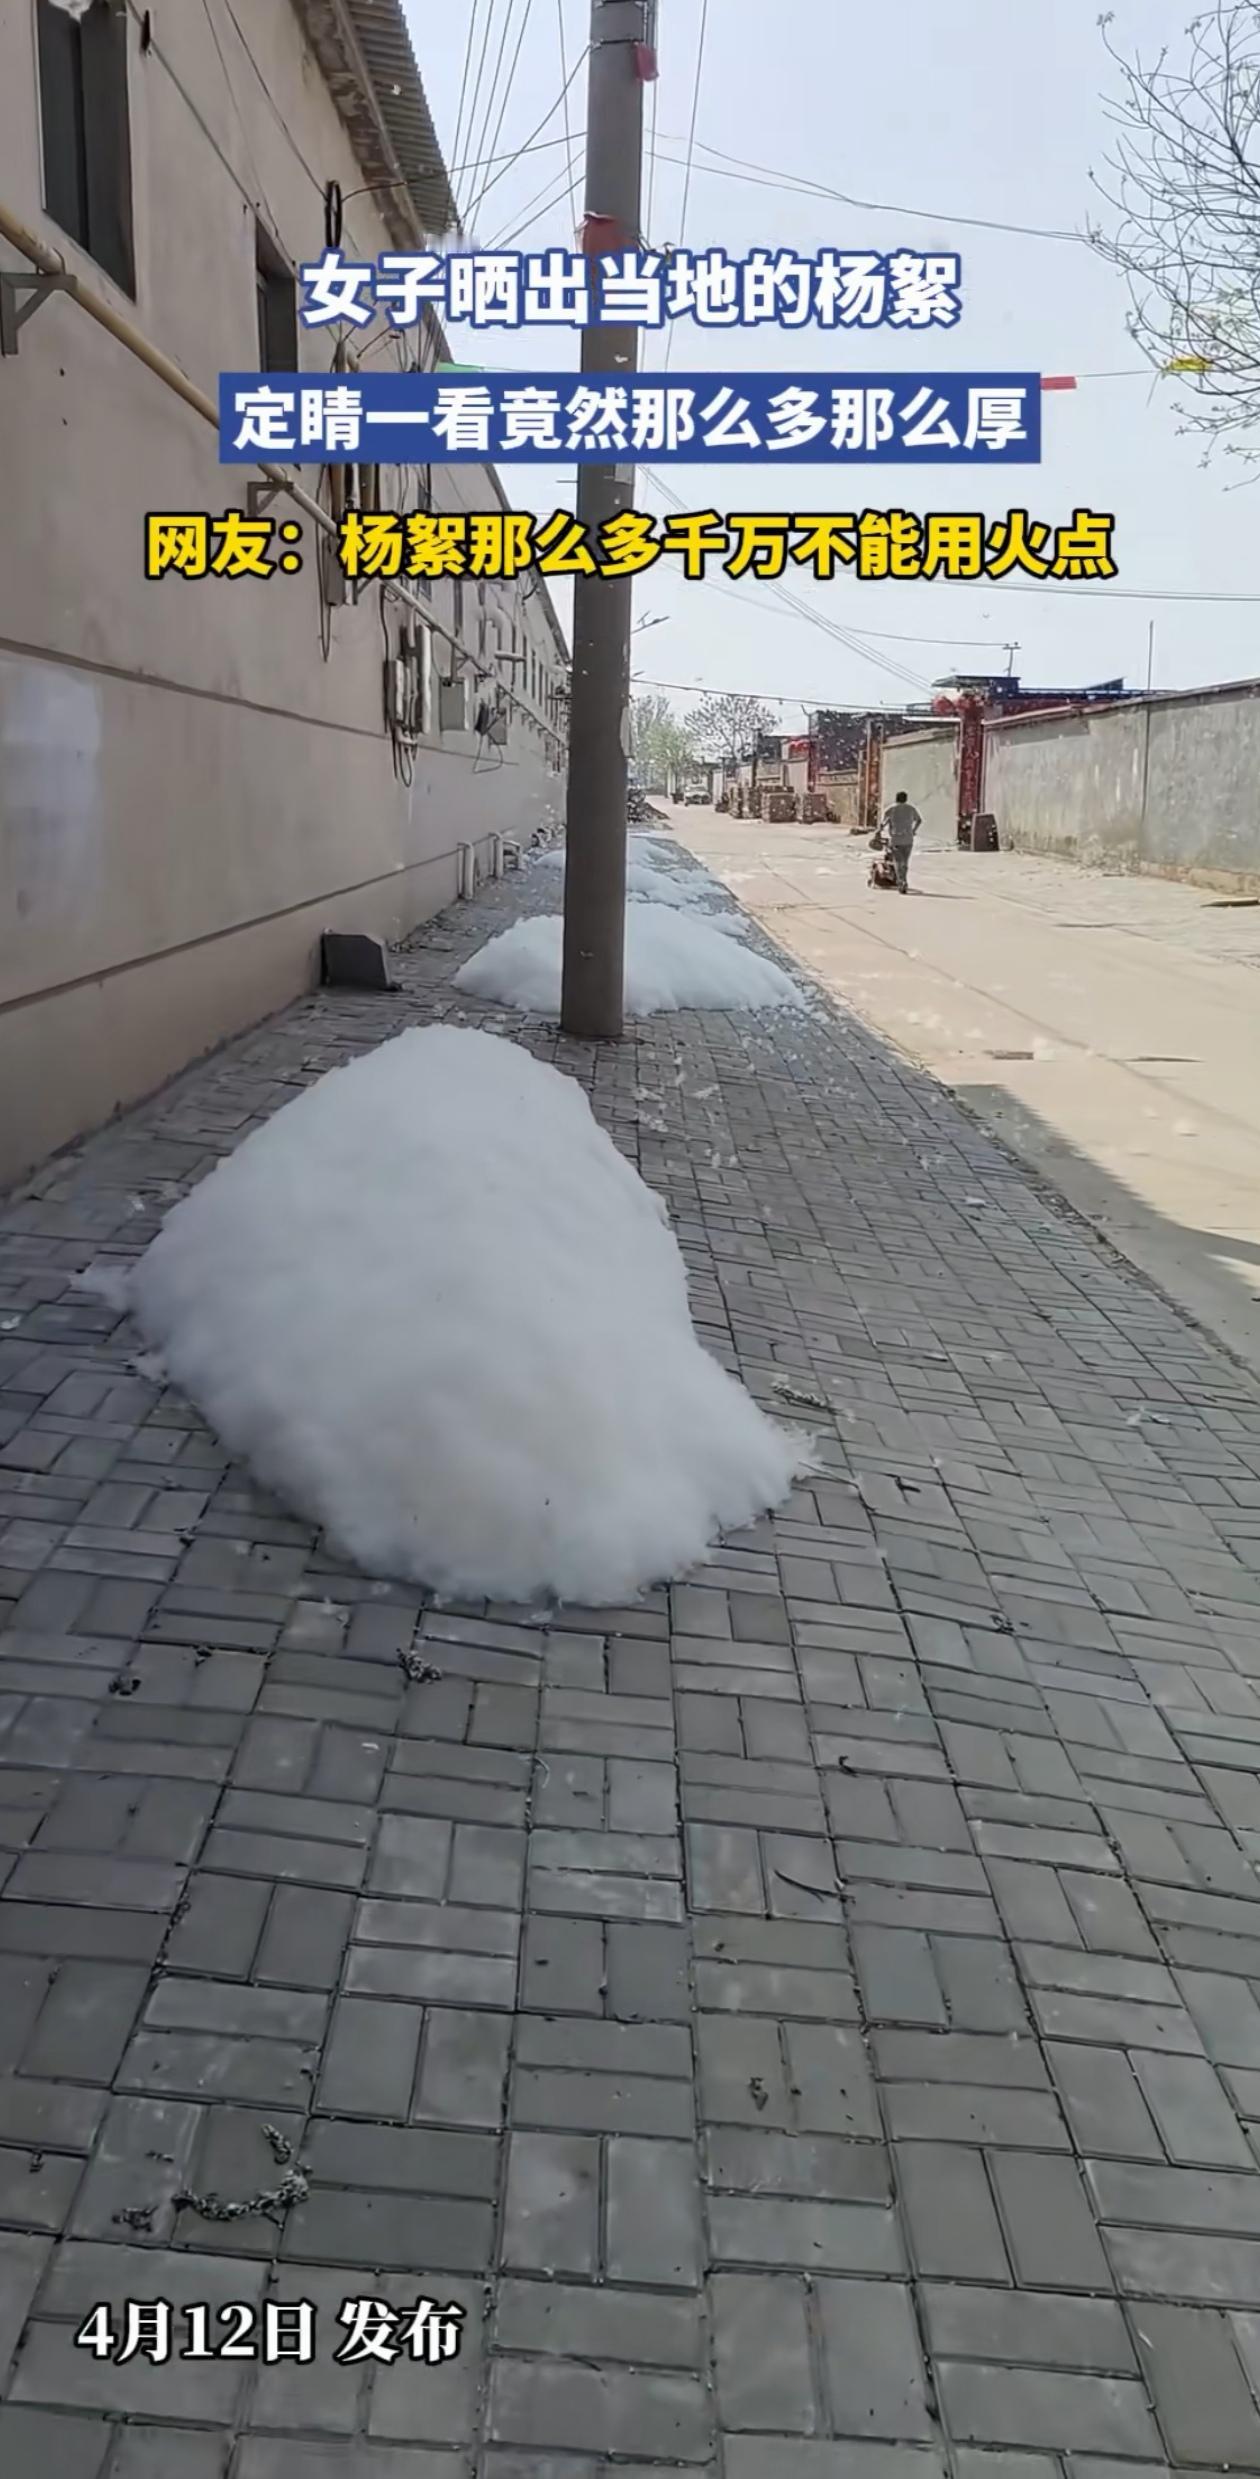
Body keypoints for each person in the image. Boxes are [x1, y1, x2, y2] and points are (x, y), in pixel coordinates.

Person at [880, 789, 921, 892]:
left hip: (896, 839)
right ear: (906, 799)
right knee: (905, 862)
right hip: (908, 839)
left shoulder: (891, 810)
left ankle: (901, 882)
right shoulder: (911, 809)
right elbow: (919, 820)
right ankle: (903, 880)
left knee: (898, 862)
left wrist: (879, 831)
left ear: (896, 799)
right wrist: (913, 830)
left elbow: (883, 823)